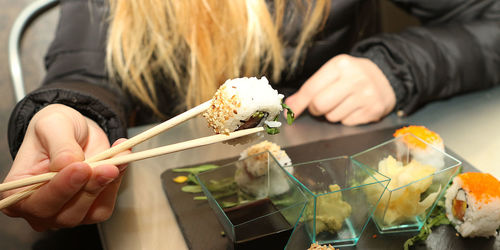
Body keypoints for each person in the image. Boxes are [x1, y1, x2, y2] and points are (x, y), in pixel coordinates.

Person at [3, 0, 499, 231]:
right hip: (168, 201)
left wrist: (397, 66)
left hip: (327, 174)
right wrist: (69, 111)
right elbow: (84, 71)